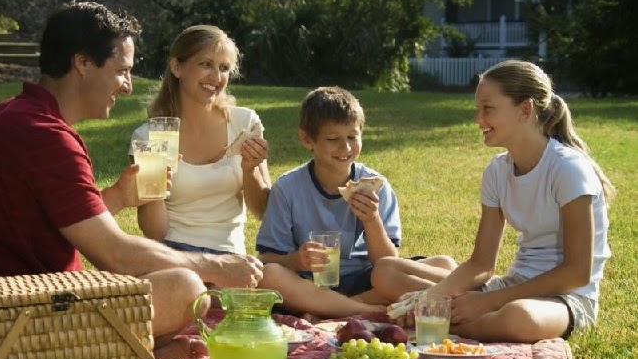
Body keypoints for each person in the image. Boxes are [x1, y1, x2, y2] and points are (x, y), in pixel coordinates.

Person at [0, 1, 263, 359]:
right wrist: (217, 266)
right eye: (122, 71)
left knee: (171, 284)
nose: (126, 86)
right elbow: (116, 255)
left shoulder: (6, 116)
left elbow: (52, 226)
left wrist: (121, 196)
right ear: (82, 63)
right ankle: (118, 352)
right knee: (185, 286)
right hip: (9, 319)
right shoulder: (46, 137)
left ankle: (137, 349)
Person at [390, 60, 615, 342]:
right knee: (388, 273)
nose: (478, 119)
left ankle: (441, 325)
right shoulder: (497, 171)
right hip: (514, 286)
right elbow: (481, 264)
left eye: (488, 109)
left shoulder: (568, 169)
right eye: (478, 109)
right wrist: (432, 295)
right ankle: (442, 318)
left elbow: (577, 273)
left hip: (566, 298)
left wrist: (487, 302)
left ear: (525, 110)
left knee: (519, 319)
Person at [255, 86, 455, 319]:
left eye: (352, 137)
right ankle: (366, 310)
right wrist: (296, 260)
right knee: (269, 275)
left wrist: (371, 220)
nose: (345, 148)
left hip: (364, 280)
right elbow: (267, 258)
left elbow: (387, 262)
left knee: (444, 264)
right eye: (333, 139)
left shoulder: (376, 187)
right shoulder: (288, 188)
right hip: (310, 284)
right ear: (307, 139)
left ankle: (333, 309)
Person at [132, 25, 271, 255]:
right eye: (206, 64)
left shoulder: (244, 123)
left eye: (224, 68)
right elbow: (154, 233)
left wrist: (250, 170)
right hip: (174, 255)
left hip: (229, 256)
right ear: (177, 67)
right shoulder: (150, 135)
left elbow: (263, 212)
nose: (216, 78)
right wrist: (153, 187)